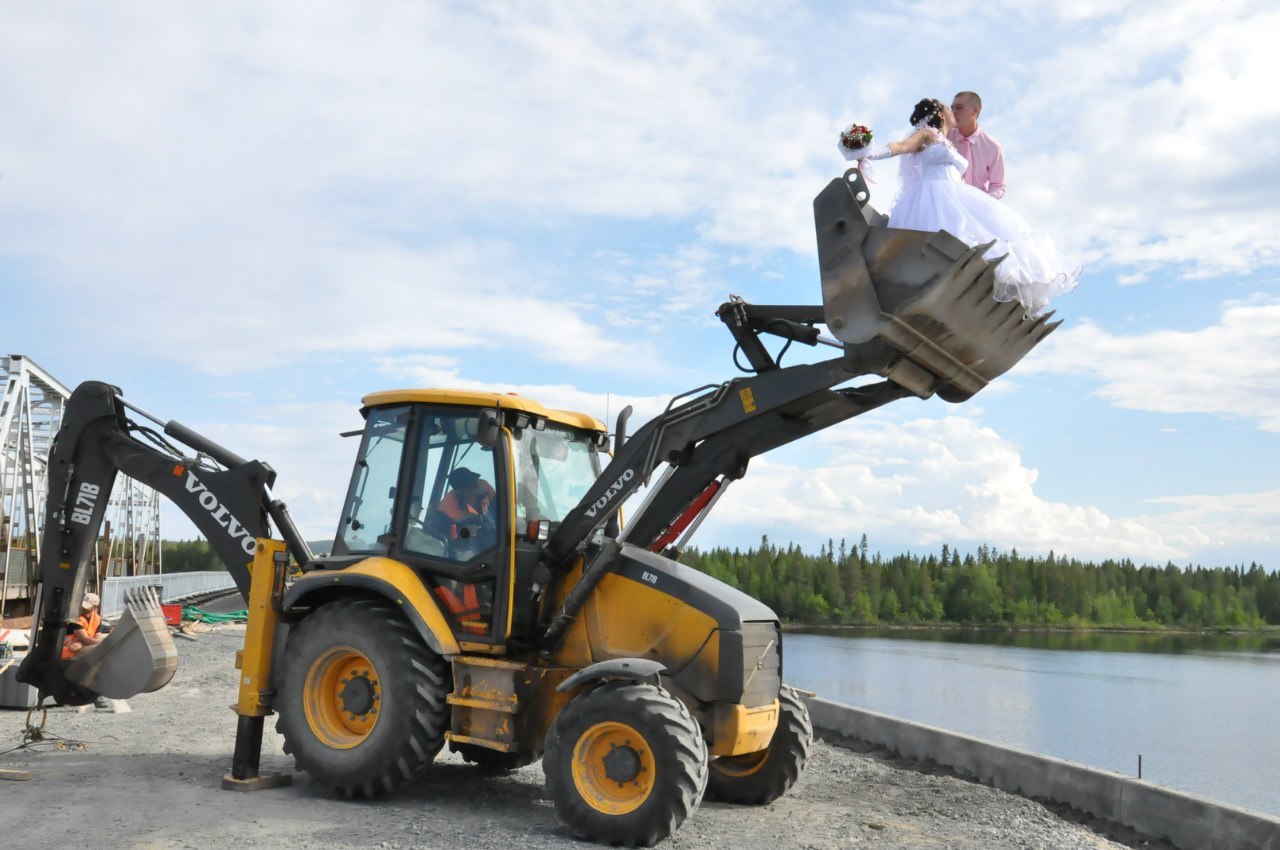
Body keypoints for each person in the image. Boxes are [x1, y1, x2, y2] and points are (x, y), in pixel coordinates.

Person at [845, 98, 1078, 317]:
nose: (953, 111)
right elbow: (901, 146)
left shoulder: (947, 141)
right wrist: (871, 153)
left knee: (991, 240)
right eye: (950, 107)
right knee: (956, 241)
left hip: (957, 193)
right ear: (940, 114)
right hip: (934, 196)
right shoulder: (926, 134)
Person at [948, 91, 1005, 198]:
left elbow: (998, 185)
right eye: (952, 108)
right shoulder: (944, 137)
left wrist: (983, 205)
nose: (953, 112)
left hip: (979, 207)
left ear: (975, 110)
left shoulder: (992, 146)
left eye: (959, 108)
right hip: (948, 203)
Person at [63, 591, 110, 708]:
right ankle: (95, 695)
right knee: (98, 654)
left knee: (102, 653)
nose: (84, 609)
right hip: (69, 649)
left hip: (83, 646)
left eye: (87, 607)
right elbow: (86, 638)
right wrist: (103, 642)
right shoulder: (76, 618)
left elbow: (96, 637)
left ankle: (96, 692)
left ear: (95, 607)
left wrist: (96, 641)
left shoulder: (97, 619)